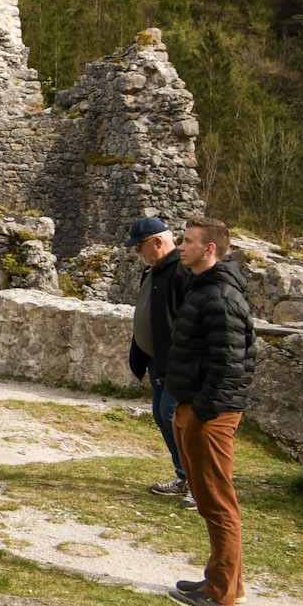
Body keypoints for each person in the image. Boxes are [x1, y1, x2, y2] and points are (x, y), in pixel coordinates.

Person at [166, 215, 257, 606]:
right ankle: (225, 582)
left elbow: (231, 364)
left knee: (218, 503)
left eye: (187, 241)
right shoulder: (203, 289)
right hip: (195, 408)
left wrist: (202, 410)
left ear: (210, 249)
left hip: (210, 414)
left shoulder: (220, 297)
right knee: (208, 500)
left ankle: (219, 593)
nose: (179, 247)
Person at [126, 216, 195, 506]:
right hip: (156, 360)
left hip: (176, 363)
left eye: (140, 246)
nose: (138, 253)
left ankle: (197, 484)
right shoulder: (154, 270)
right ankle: (184, 476)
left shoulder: (181, 271)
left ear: (157, 242)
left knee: (174, 417)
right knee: (161, 413)